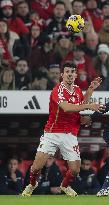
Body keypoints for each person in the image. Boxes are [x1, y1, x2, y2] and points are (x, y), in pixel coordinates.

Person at [22, 61, 104, 197]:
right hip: (52, 133)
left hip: (70, 134)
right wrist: (89, 106)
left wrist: (90, 90)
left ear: (76, 74)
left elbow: (80, 104)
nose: (70, 74)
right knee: (37, 166)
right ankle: (32, 184)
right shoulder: (57, 90)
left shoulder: (77, 90)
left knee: (75, 170)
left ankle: (65, 186)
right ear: (62, 74)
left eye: (72, 72)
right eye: (67, 72)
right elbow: (67, 107)